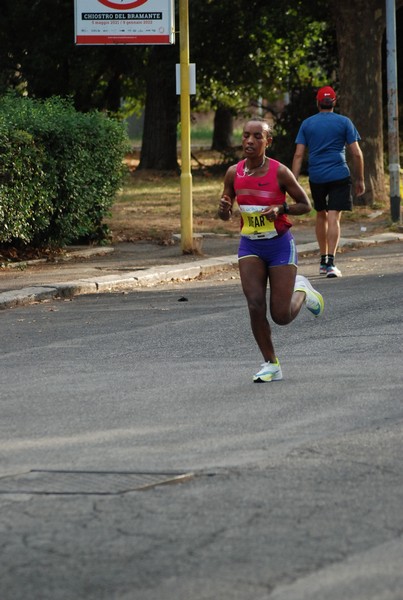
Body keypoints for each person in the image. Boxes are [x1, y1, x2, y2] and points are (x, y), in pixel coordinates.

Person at [218, 117, 324, 383]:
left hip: (279, 245)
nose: (250, 141)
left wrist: (281, 208)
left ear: (268, 141)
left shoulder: (279, 172)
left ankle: (302, 290)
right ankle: (271, 363)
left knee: (281, 316)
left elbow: (305, 204)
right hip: (250, 245)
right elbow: (226, 209)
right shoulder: (234, 172)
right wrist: (223, 209)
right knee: (254, 305)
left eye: (257, 136)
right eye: (245, 136)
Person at [292, 86, 365, 278]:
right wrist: (360, 179)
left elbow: (299, 154)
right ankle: (331, 264)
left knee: (321, 215)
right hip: (339, 175)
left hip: (317, 177)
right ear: (334, 102)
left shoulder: (307, 124)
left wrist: (293, 181)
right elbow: (357, 153)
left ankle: (323, 261)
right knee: (334, 216)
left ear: (317, 102)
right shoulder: (344, 122)